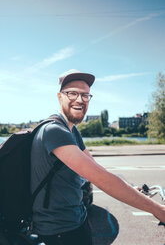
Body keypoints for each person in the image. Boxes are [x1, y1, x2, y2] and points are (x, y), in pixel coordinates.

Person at [31, 69, 165, 245]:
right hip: (60, 233)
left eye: (85, 95)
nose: (80, 100)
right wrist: (157, 209)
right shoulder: (54, 131)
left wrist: (131, 188)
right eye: (72, 93)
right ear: (59, 97)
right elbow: (103, 180)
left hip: (76, 221)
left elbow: (95, 169)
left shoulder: (71, 131)